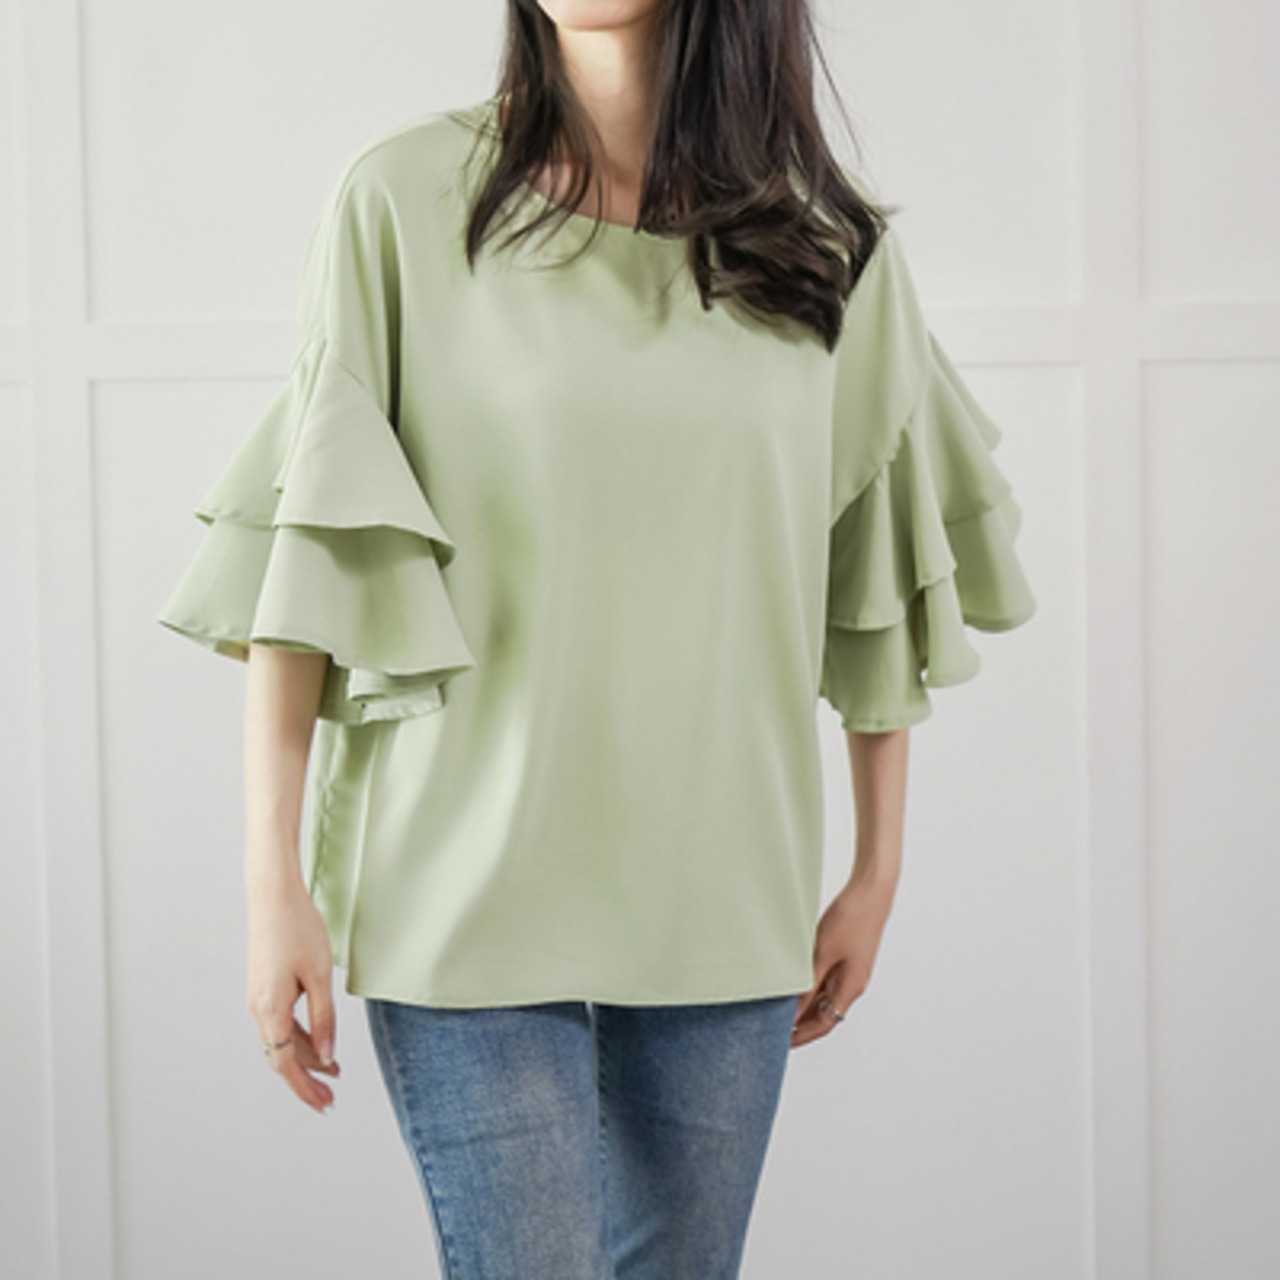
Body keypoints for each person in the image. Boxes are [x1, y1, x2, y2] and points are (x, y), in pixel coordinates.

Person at [156, 1, 1037, 1275]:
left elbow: (875, 568)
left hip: (724, 890)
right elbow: (311, 561)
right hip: (460, 887)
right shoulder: (398, 200)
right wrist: (271, 884)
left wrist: (876, 867)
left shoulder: (828, 245)